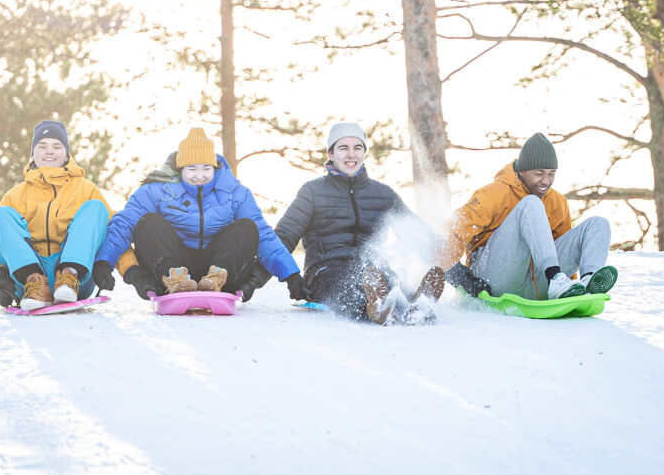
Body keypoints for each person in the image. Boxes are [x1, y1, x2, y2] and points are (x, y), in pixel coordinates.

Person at [90, 127, 309, 302]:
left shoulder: (235, 193)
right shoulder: (155, 190)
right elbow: (123, 225)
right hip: (173, 262)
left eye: (206, 168)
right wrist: (103, 263)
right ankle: (175, 279)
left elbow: (264, 235)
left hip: (220, 265)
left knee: (247, 227)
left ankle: (216, 278)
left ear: (214, 167)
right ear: (180, 169)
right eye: (191, 168)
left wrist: (291, 276)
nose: (200, 175)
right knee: (147, 223)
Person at [275, 122, 444, 325]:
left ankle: (417, 304)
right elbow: (283, 236)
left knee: (394, 284)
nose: (351, 155)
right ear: (331, 153)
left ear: (364, 153)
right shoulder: (312, 192)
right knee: (348, 287)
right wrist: (290, 277)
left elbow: (416, 234)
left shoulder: (383, 194)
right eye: (343, 148)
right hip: (327, 269)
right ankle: (377, 308)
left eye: (357, 148)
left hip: (373, 268)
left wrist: (459, 273)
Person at [441, 132, 617, 301]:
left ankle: (588, 282)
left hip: (538, 281)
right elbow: (454, 229)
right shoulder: (493, 194)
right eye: (539, 173)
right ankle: (555, 278)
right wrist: (456, 273)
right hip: (494, 278)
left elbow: (558, 247)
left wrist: (570, 284)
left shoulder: (557, 202)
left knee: (598, 224)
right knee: (531, 203)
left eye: (551, 173)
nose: (546, 181)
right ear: (522, 171)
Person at [0, 120, 113, 310]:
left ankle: (69, 275)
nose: (49, 151)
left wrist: (107, 265)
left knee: (96, 208)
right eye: (42, 146)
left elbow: (114, 232)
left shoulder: (87, 189)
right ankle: (34, 283)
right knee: (0, 214)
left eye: (56, 146)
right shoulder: (15, 195)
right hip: (26, 284)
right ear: (32, 154)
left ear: (67, 154)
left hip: (78, 281)